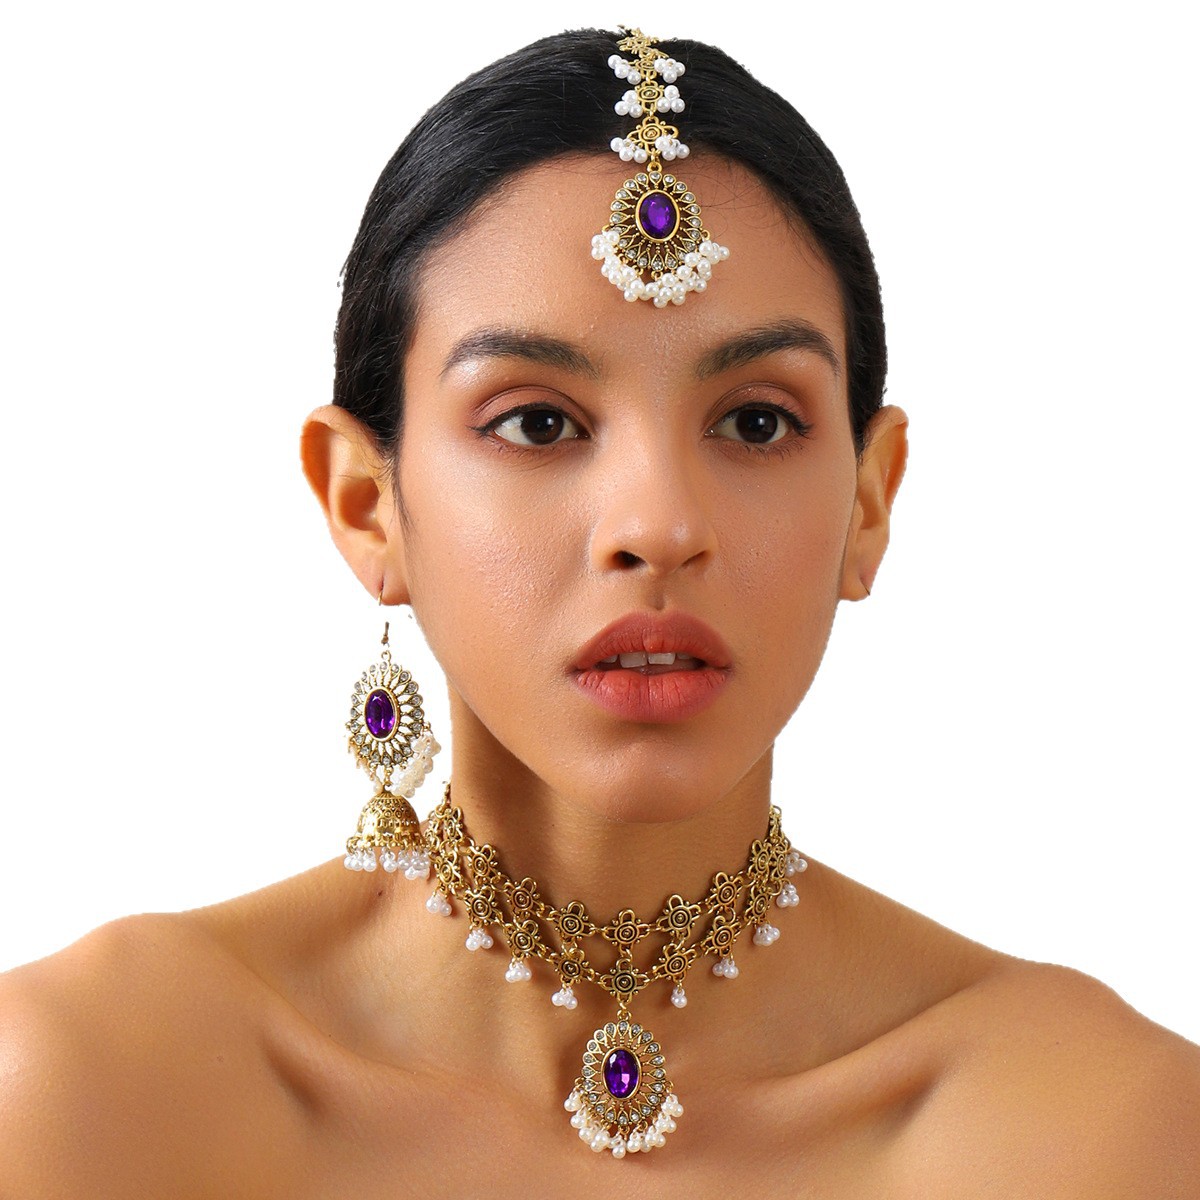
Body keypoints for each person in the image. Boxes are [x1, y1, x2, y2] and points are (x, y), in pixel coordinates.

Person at [2, 26, 1197, 1196]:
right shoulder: (91, 1090)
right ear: (366, 505)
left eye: (757, 422)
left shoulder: (1098, 1132)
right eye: (537, 423)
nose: (660, 525)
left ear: (869, 502)